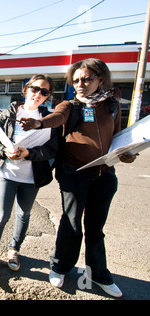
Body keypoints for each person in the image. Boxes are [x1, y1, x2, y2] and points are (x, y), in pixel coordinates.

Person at [20, 58, 138, 298]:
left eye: (86, 79)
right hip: (74, 173)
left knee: (96, 228)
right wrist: (39, 123)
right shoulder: (70, 105)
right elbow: (57, 118)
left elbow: (116, 137)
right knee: (71, 224)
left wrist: (126, 154)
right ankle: (60, 266)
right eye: (75, 80)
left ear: (100, 79)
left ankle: (99, 274)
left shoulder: (111, 106)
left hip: (104, 173)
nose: (80, 84)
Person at [0, 74, 60, 280]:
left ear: (47, 96)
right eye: (35, 89)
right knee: (1, 216)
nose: (38, 94)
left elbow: (52, 149)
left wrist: (29, 154)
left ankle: (14, 250)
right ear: (26, 89)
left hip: (32, 178)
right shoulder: (8, 114)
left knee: (24, 215)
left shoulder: (49, 120)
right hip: (7, 174)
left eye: (44, 92)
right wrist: (3, 151)